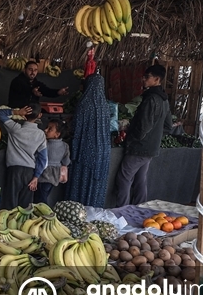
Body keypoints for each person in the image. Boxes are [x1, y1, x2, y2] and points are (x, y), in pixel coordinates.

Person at [115, 64, 170, 206]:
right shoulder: (164, 99)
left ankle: (122, 211)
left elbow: (143, 128)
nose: (143, 79)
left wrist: (131, 137)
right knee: (140, 180)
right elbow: (168, 126)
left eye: (147, 77)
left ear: (157, 79)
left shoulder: (151, 99)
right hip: (151, 148)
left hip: (139, 148)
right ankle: (139, 209)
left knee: (124, 178)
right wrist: (154, 137)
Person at [69, 70, 112, 208]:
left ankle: (78, 211)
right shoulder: (105, 106)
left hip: (86, 153)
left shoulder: (84, 105)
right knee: (96, 184)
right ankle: (94, 211)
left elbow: (76, 130)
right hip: (103, 153)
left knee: (82, 181)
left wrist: (73, 152)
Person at [0, 102, 47, 210]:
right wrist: (36, 177)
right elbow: (43, 159)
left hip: (14, 171)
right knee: (25, 206)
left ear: (24, 115)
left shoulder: (15, 128)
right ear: (40, 115)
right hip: (30, 172)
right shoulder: (41, 134)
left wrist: (17, 112)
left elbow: (0, 113)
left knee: (10, 203)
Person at [36, 119, 70, 205]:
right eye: (47, 127)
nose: (45, 130)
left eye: (50, 129)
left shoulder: (44, 144)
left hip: (43, 175)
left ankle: (46, 215)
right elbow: (66, 162)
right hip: (55, 177)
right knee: (44, 196)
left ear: (57, 135)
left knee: (40, 200)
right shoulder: (65, 146)